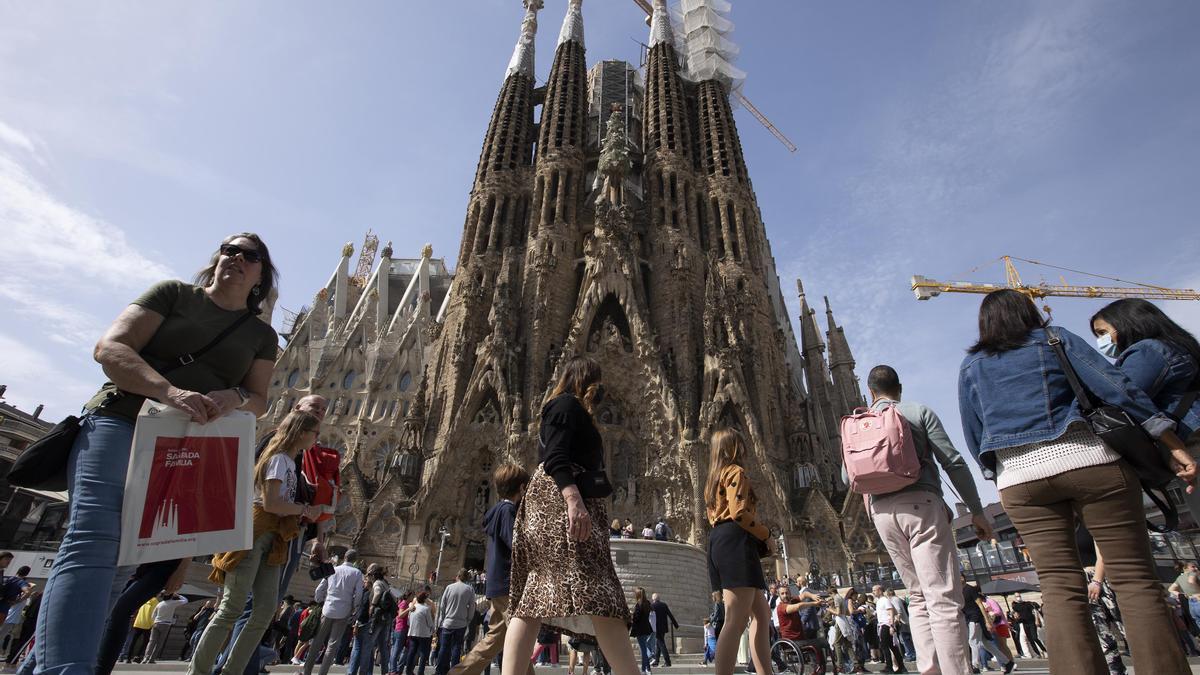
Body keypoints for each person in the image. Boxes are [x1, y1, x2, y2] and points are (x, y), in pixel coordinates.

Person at [25, 234, 279, 674]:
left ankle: (43, 665)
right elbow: (110, 348)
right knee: (92, 542)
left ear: (261, 275)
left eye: (249, 256)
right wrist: (169, 391)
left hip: (186, 447)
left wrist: (233, 398)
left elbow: (259, 399)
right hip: (120, 419)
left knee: (124, 563)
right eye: (228, 249)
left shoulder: (260, 335)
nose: (236, 258)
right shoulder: (173, 294)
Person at [958, 289, 1195, 674]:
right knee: (1133, 578)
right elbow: (1117, 389)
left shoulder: (971, 366)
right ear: (1030, 312)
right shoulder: (1056, 338)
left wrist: (1001, 471)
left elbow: (974, 433)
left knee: (1057, 587)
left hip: (1020, 479)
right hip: (1089, 461)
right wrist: (1169, 440)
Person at [502, 357, 638, 675]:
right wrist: (573, 501)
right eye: (596, 379)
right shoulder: (565, 405)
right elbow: (556, 458)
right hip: (559, 509)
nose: (600, 387)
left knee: (536, 595)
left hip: (555, 507)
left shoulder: (569, 408)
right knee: (601, 593)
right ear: (583, 379)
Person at [858, 365, 989, 675]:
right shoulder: (917, 411)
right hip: (921, 504)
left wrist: (873, 510)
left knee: (916, 596)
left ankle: (929, 669)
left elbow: (849, 476)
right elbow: (953, 462)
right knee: (941, 596)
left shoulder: (860, 423)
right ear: (899, 389)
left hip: (882, 514)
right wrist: (976, 510)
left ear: (871, 393)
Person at [188, 411, 322, 675]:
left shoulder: (290, 462)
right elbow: (271, 503)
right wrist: (304, 509)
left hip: (274, 539)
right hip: (256, 534)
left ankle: (232, 670)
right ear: (302, 433)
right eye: (315, 432)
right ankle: (199, 671)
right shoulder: (279, 460)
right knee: (231, 608)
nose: (317, 438)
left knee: (264, 611)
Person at [219, 393, 332, 675]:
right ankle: (235, 667)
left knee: (262, 606)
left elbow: (307, 492)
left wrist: (317, 537)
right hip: (267, 529)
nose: (319, 411)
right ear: (296, 410)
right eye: (313, 407)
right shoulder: (278, 445)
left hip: (288, 533)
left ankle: (243, 664)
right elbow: (265, 493)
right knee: (251, 605)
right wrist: (304, 510)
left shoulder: (304, 451)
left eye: (323, 409)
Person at [1092, 299, 1200, 511]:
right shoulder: (1177, 347)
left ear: (1127, 323)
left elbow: (1118, 398)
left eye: (1103, 332)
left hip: (1191, 449)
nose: (1101, 341)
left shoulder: (1149, 350)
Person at [450, 465, 535, 675]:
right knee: (521, 637)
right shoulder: (507, 511)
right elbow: (517, 543)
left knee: (495, 639)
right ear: (522, 488)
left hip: (498, 584)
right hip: (509, 584)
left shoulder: (497, 510)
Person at [704, 428, 775, 675]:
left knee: (762, 614)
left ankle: (766, 672)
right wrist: (766, 535)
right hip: (735, 541)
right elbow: (739, 513)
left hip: (719, 540)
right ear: (734, 447)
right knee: (735, 620)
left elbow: (713, 516)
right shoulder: (736, 472)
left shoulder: (713, 479)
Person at [303, 550, 364, 675]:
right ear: (355, 560)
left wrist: (319, 599)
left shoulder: (333, 569)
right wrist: (355, 607)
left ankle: (306, 671)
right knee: (332, 645)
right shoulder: (357, 573)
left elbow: (321, 587)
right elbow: (359, 594)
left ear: (344, 557)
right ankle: (323, 673)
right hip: (344, 610)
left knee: (316, 641)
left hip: (328, 608)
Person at [960, 577, 1012, 674]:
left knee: (973, 641)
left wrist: (987, 621)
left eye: (960, 576)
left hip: (975, 618)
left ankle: (975, 665)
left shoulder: (970, 589)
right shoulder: (959, 591)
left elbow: (980, 604)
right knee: (986, 644)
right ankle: (1007, 662)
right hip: (969, 618)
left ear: (964, 578)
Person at [356, 564, 396, 675]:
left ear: (373, 574)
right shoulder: (386, 584)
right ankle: (385, 671)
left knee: (368, 645)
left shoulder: (377, 583)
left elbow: (377, 592)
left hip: (377, 618)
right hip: (386, 618)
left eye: (369, 574)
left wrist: (372, 605)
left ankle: (362, 672)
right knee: (383, 647)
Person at [141, 591, 188, 664]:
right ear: (171, 596)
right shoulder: (173, 603)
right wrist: (178, 595)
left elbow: (153, 615)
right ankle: (152, 659)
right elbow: (185, 600)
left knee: (151, 641)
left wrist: (154, 622)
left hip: (156, 623)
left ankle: (145, 658)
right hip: (166, 625)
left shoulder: (159, 604)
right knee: (159, 643)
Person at [871, 586, 907, 674]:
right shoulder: (879, 601)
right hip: (883, 624)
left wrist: (892, 625)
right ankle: (901, 667)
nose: (873, 592)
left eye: (874, 590)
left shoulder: (885, 600)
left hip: (886, 624)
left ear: (880, 590)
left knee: (885, 646)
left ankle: (889, 667)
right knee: (892, 647)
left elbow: (891, 611)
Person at [829, 590, 864, 674]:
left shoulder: (838, 599)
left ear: (831, 593)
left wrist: (830, 609)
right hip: (845, 622)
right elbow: (848, 612)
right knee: (848, 644)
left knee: (836, 644)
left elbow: (838, 612)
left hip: (840, 622)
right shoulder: (842, 599)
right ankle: (857, 666)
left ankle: (840, 666)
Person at [404, 592, 436, 675]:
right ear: (424, 599)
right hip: (424, 634)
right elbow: (430, 623)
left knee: (412, 652)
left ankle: (408, 670)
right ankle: (420, 672)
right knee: (423, 654)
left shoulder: (413, 608)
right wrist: (433, 630)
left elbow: (408, 622)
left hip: (412, 632)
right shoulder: (426, 609)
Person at [121, 596, 159, 664]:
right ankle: (137, 656)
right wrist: (152, 624)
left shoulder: (144, 600)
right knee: (146, 641)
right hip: (147, 624)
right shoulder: (155, 602)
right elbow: (153, 614)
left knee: (133, 641)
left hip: (138, 623)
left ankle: (128, 658)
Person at [1009, 593, 1044, 658]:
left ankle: (1043, 650)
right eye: (1016, 596)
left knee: (1035, 638)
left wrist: (1036, 620)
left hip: (1031, 622)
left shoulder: (1027, 604)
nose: (1018, 597)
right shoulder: (1015, 606)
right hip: (1024, 623)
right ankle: (1038, 654)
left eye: (1019, 596)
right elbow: (1015, 614)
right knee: (1030, 639)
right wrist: (1014, 615)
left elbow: (1034, 611)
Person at [629, 589, 655, 675]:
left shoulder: (639, 604)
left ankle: (646, 668)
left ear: (638, 595)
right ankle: (645, 669)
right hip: (646, 628)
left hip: (640, 629)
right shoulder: (647, 603)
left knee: (643, 650)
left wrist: (631, 615)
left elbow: (636, 618)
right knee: (643, 648)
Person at [648, 593, 677, 668]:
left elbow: (649, 617)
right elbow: (670, 614)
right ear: (659, 599)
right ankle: (656, 662)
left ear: (653, 599)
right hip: (663, 628)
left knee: (661, 644)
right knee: (658, 644)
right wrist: (675, 624)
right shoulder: (664, 605)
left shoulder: (652, 606)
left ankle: (668, 662)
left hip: (656, 628)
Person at [389, 590, 415, 675]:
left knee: (399, 650)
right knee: (396, 651)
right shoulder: (404, 603)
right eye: (412, 596)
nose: (413, 597)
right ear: (408, 596)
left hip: (403, 629)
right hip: (400, 629)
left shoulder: (406, 604)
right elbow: (400, 615)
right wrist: (408, 609)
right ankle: (393, 670)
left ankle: (395, 669)